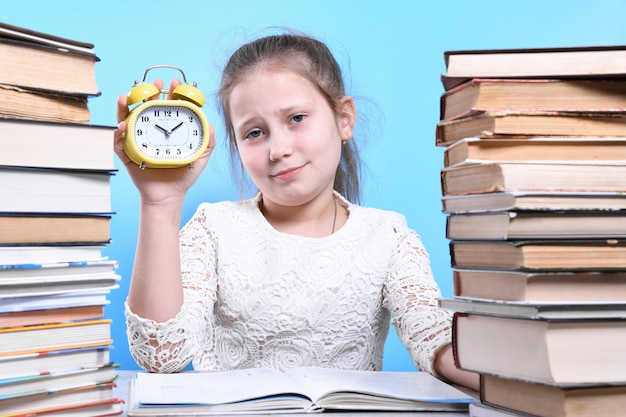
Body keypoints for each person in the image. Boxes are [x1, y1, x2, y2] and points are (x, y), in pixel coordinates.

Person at [114, 31, 479, 391]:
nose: (279, 149)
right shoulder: (214, 229)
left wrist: (518, 382)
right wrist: (160, 204)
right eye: (254, 133)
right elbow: (161, 354)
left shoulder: (389, 237)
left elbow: (434, 338)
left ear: (344, 119)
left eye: (297, 118)